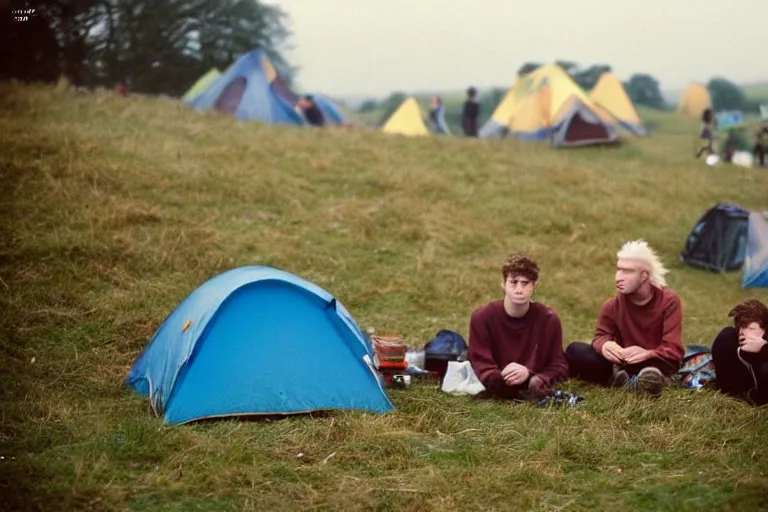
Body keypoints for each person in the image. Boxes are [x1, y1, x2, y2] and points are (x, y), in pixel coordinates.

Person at [565, 240, 684, 397]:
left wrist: (647, 353)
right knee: (575, 350)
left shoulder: (669, 302)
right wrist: (606, 346)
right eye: (618, 270)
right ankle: (624, 379)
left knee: (659, 366)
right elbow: (600, 337)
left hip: (656, 361)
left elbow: (674, 349)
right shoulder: (612, 305)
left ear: (644, 276)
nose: (618, 277)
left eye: (627, 271)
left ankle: (642, 379)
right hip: (623, 362)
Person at [467, 253, 569, 400]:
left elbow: (559, 365)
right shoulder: (482, 317)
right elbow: (479, 364)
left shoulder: (549, 319)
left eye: (525, 283)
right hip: (498, 380)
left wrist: (531, 375)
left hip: (529, 378)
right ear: (503, 284)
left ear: (534, 285)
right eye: (513, 282)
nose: (519, 289)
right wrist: (501, 378)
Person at [711, 299, 768, 405]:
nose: (743, 333)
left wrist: (763, 348)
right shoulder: (728, 340)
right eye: (741, 327)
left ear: (764, 330)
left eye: (751, 328)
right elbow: (725, 386)